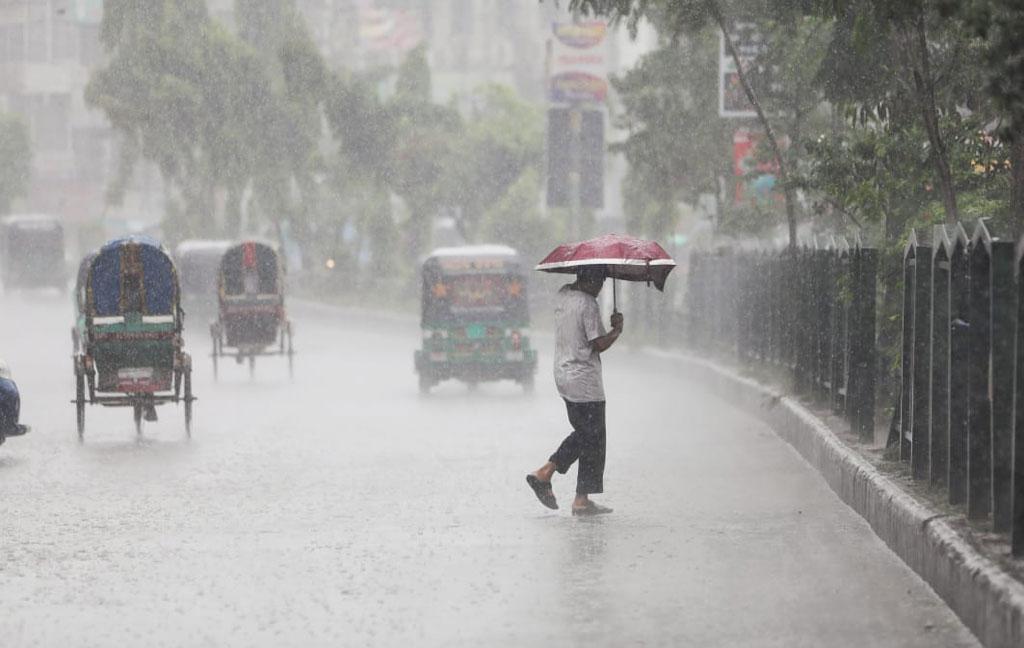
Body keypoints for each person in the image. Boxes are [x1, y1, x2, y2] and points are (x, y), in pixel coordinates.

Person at [526, 266, 623, 516]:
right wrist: (616, 331)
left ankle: (581, 498)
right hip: (584, 380)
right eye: (600, 282)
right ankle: (546, 473)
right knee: (591, 435)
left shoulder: (563, 294)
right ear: (590, 279)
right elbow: (598, 344)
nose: (600, 289)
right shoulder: (587, 303)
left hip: (563, 374)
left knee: (588, 435)